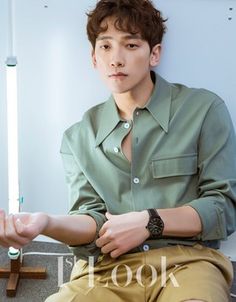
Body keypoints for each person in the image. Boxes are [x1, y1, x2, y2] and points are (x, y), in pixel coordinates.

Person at [0, 0, 236, 301]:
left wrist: (150, 222)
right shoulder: (78, 137)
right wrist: (46, 223)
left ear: (154, 53)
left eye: (131, 45)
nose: (116, 59)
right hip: (104, 271)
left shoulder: (203, 110)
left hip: (188, 264)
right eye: (106, 46)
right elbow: (91, 220)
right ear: (93, 57)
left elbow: (223, 208)